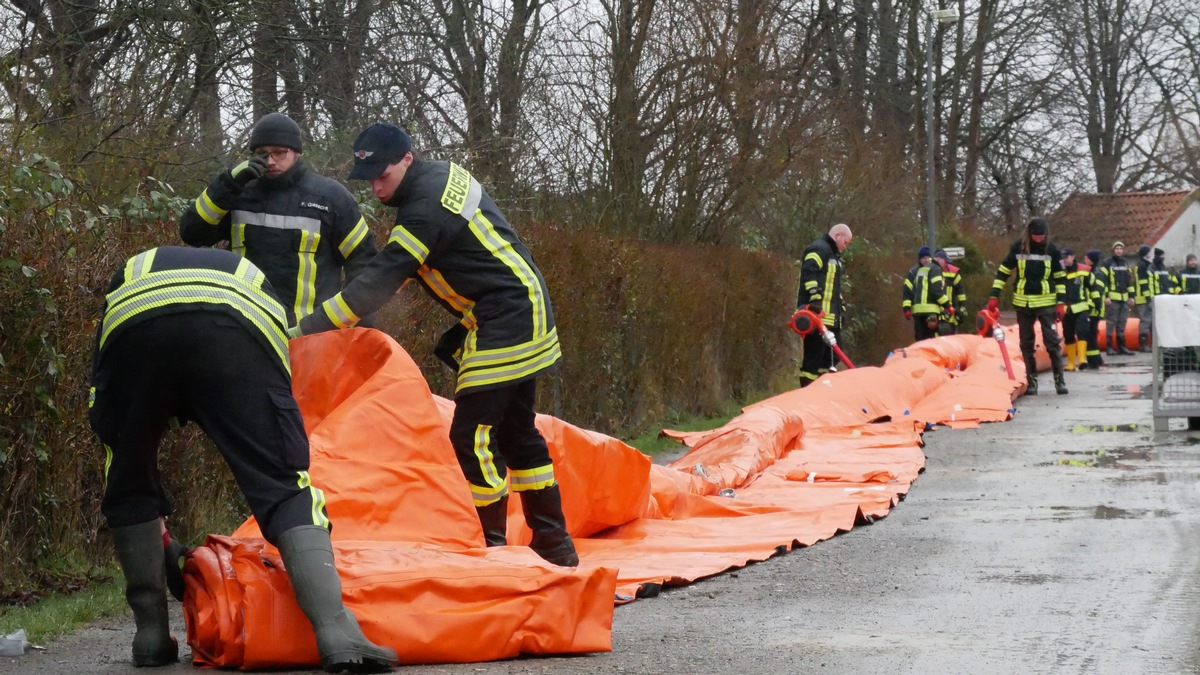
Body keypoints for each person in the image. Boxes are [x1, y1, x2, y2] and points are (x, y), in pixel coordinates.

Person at [89, 246, 396, 672]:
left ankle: (151, 635)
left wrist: (150, 515)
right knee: (283, 484)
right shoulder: (258, 286)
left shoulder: (130, 275)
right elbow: (275, 386)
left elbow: (116, 435)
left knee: (127, 473)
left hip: (135, 325)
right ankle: (335, 630)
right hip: (236, 325)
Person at [289, 123, 577, 567]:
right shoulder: (438, 177)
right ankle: (555, 548)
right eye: (368, 178)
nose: (375, 186)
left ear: (407, 159)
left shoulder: (425, 207)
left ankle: (491, 547)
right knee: (518, 432)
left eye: (382, 175)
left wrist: (307, 329)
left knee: (471, 435)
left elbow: (384, 278)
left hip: (507, 314)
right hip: (514, 304)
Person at [179, 112, 378, 325]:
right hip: (244, 329)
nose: (270, 161)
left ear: (297, 153)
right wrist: (228, 183)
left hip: (309, 337)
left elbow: (363, 264)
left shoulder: (331, 198)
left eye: (279, 153)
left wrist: (359, 332)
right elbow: (192, 232)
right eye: (262, 153)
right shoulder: (238, 194)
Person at [987, 218, 1067, 395]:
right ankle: (1032, 383)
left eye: (1041, 236)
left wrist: (1061, 303)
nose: (1038, 239)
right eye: (1035, 236)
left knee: (1052, 341)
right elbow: (1003, 272)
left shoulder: (1052, 250)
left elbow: (1061, 278)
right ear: (1029, 235)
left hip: (1046, 302)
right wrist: (994, 295)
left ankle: (1059, 380)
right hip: (1023, 303)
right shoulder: (1018, 248)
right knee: (1026, 343)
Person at [795, 223, 853, 386]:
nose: (845, 247)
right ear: (837, 236)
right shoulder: (819, 249)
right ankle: (807, 391)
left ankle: (821, 388)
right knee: (813, 359)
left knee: (831, 357)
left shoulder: (833, 256)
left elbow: (833, 288)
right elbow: (809, 273)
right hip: (816, 317)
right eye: (845, 242)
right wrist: (814, 300)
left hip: (829, 319)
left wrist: (840, 309)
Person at [902, 246, 950, 343]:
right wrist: (907, 308)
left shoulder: (930, 269)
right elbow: (907, 291)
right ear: (919, 259)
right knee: (923, 337)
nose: (926, 260)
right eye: (923, 258)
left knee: (926, 338)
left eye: (927, 258)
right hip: (922, 309)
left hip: (928, 310)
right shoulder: (913, 272)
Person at [1099, 241, 1135, 356]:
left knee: (1122, 323)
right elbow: (1103, 281)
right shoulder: (1107, 263)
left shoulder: (1125, 263)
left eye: (1121, 249)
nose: (1119, 251)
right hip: (1113, 298)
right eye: (1117, 249)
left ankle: (1122, 347)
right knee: (1111, 323)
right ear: (1113, 250)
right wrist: (1106, 296)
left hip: (1124, 298)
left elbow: (1129, 281)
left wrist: (1132, 296)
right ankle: (1109, 347)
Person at [1060, 248, 1092, 371]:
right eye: (1063, 258)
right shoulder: (1060, 272)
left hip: (1081, 306)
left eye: (1066, 257)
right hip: (1066, 309)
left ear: (1073, 256)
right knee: (1068, 335)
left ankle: (1082, 359)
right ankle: (1071, 363)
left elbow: (1092, 286)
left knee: (1082, 332)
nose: (1064, 260)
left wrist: (1092, 304)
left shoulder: (1084, 270)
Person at [1082, 249, 1107, 369]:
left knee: (1091, 335)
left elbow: (1097, 292)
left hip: (1094, 309)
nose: (1085, 260)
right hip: (1092, 308)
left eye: (1087, 258)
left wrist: (1094, 306)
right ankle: (1095, 360)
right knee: (1090, 335)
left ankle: (1094, 361)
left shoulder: (1097, 273)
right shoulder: (1092, 271)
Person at [933, 249, 966, 335]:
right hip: (935, 310)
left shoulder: (953, 273)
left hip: (950, 311)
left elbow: (960, 291)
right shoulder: (931, 271)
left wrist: (962, 307)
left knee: (948, 334)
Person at [1133, 244, 1155, 351]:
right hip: (1143, 298)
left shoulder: (1147, 265)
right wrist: (1148, 296)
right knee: (1145, 321)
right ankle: (1144, 344)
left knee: (1149, 321)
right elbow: (1143, 283)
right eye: (1149, 252)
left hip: (1147, 297)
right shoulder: (1142, 266)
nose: (1150, 254)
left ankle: (1148, 343)